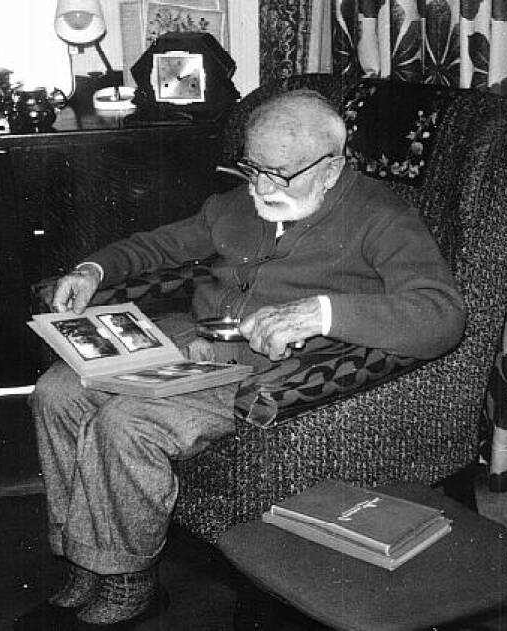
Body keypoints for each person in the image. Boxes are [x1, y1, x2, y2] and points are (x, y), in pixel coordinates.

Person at [29, 89, 466, 625]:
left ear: (331, 169)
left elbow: (441, 315)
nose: (259, 186)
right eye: (251, 167)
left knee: (127, 423)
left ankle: (125, 573)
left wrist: (322, 314)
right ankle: (82, 552)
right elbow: (160, 245)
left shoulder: (382, 216)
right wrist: (93, 270)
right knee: (56, 390)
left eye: (278, 174)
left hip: (269, 370)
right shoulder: (240, 201)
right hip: (194, 335)